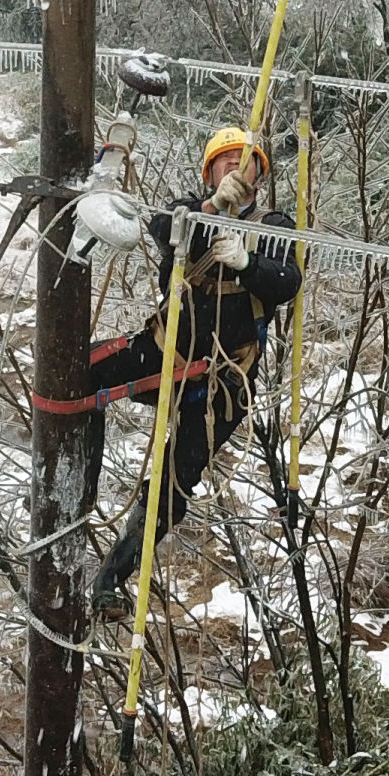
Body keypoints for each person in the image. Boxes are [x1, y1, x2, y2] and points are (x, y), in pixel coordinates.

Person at [86, 125, 302, 621]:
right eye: (226, 162)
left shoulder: (273, 225)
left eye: (245, 163)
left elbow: (286, 282)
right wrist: (208, 210)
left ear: (258, 177)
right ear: (210, 173)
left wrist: (247, 264)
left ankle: (110, 579)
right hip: (165, 352)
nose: (236, 170)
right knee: (78, 372)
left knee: (171, 484)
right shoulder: (186, 211)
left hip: (222, 382)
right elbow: (163, 227)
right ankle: (77, 487)